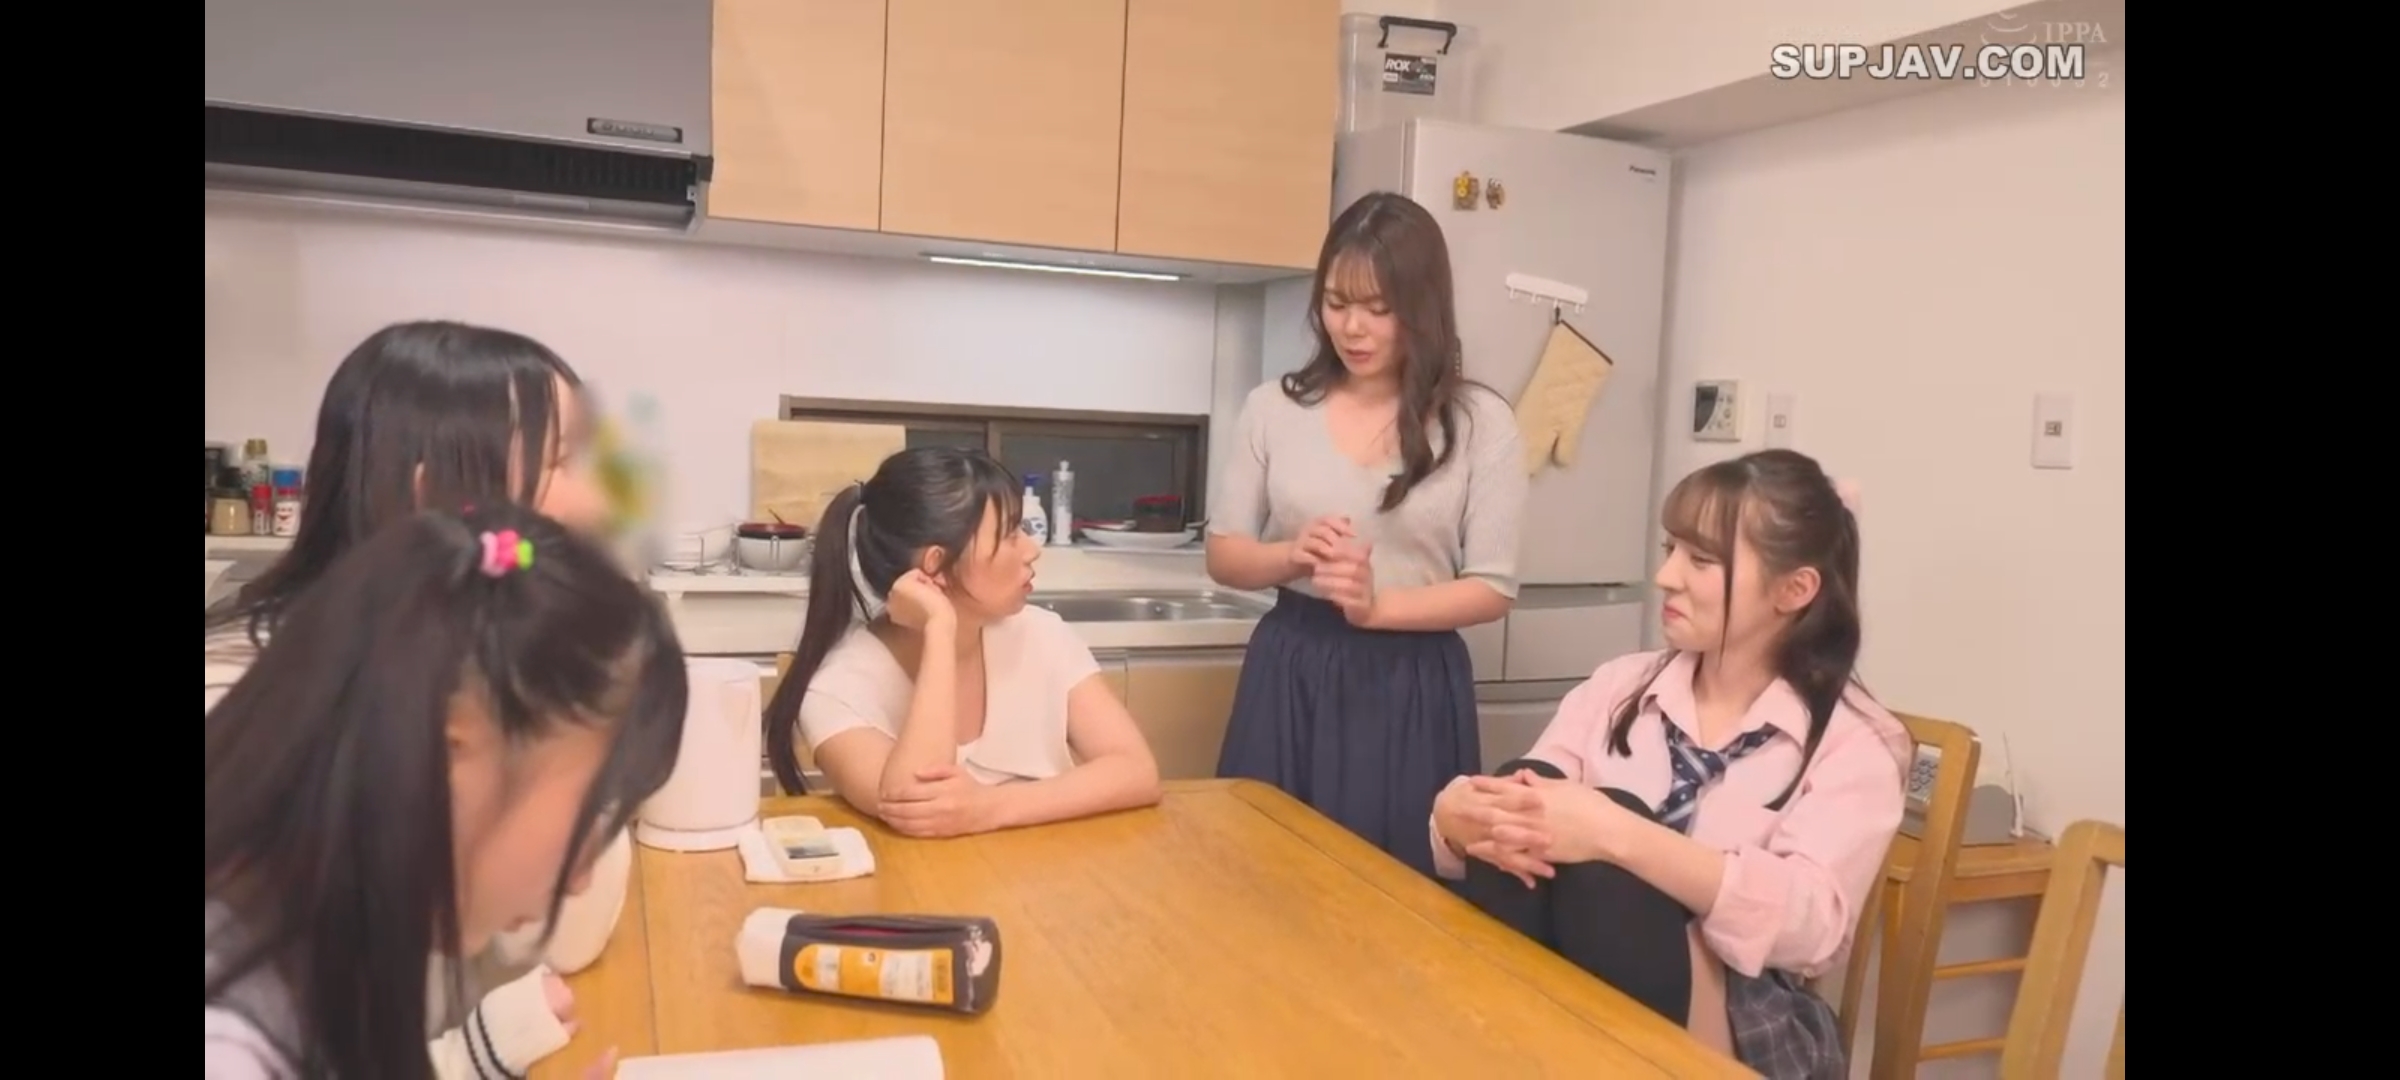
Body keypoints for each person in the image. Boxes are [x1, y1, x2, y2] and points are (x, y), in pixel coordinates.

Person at [205, 320, 623, 1079]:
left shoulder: (441, 667)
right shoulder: (262, 711)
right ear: (434, 498)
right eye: (561, 463)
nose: (594, 502)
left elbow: (559, 926)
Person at [1429, 450, 1907, 1080]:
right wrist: (1455, 816)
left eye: (1701, 560)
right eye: (1670, 548)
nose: (1665, 576)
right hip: (1579, 975)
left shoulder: (1856, 741)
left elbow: (1810, 926)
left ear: (1794, 590)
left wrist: (1620, 835)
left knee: (1609, 846)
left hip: (1743, 1014)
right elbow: (1527, 797)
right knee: (1530, 786)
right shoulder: (1620, 686)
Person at [205, 506, 689, 1080]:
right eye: (593, 807)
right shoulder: (230, 1045)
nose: (581, 877)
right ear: (446, 750)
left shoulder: (321, 931)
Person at [1205, 192, 1528, 877]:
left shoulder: (1481, 423)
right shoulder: (1273, 408)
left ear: (1423, 308)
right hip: (1292, 666)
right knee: (1261, 874)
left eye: (1379, 309)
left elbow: (1493, 588)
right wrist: (1291, 556)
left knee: (1395, 886)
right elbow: (1225, 556)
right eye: (1336, 303)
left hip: (1411, 682)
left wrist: (1378, 607)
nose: (1352, 328)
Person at [763, 446, 1161, 837]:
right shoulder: (837, 690)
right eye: (1009, 535)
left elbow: (1136, 771)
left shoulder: (1041, 634)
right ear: (935, 565)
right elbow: (917, 805)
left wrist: (988, 808)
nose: (1031, 549)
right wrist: (939, 629)